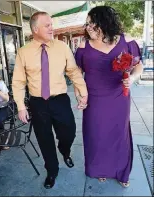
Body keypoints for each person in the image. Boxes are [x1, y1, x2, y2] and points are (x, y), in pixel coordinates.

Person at [12, 11, 88, 189]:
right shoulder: (23, 52)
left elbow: (73, 72)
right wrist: (21, 106)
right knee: (44, 139)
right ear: (35, 29)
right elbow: (18, 81)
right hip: (38, 103)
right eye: (47, 25)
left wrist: (83, 91)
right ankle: (52, 171)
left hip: (60, 100)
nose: (51, 28)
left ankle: (65, 150)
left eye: (51, 24)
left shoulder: (62, 47)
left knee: (69, 132)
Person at [74, 6, 143, 188]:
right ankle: (100, 169)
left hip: (119, 96)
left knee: (118, 134)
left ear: (105, 21)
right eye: (86, 23)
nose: (87, 27)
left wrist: (133, 79)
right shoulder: (83, 45)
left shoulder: (126, 41)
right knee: (96, 134)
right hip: (94, 99)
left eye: (92, 23)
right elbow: (77, 75)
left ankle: (121, 171)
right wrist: (79, 95)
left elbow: (138, 66)